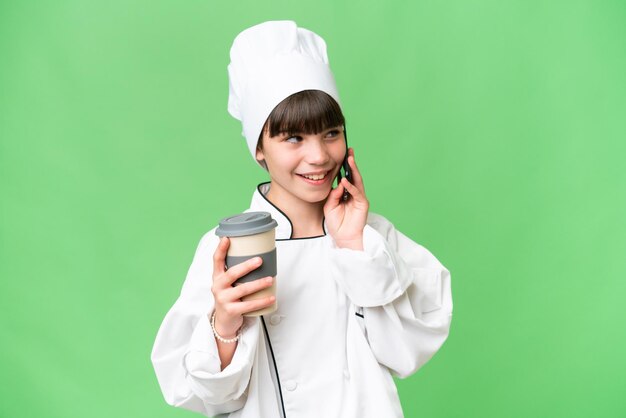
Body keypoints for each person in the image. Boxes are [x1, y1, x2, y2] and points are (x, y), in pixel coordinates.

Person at [151, 20, 453, 418]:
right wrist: (223, 325)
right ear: (259, 148)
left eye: (331, 133)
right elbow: (207, 396)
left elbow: (405, 351)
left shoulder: (372, 236)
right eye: (293, 138)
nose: (319, 156)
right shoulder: (224, 246)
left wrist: (353, 247)